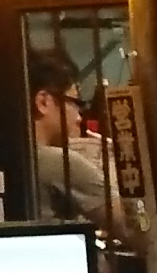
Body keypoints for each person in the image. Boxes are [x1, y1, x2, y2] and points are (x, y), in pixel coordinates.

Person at [29, 51, 113, 225]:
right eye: (75, 102)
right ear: (43, 102)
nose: (79, 116)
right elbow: (136, 230)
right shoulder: (61, 163)